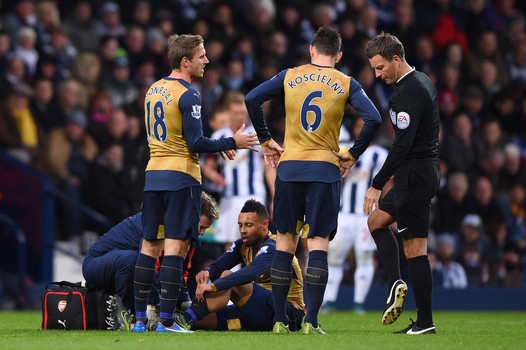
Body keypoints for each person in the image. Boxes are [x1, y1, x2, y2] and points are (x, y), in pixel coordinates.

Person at [245, 26, 382, 334]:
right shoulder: (346, 82)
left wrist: (266, 140)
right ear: (339, 55)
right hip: (324, 171)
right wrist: (353, 154)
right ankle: (312, 322)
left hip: (290, 169)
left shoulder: (289, 75)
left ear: (311, 49)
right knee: (317, 244)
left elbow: (252, 98)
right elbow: (373, 118)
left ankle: (279, 321)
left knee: (285, 243)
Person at [131, 33, 259, 334]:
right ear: (185, 61)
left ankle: (138, 321)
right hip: (180, 178)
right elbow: (195, 141)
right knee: (175, 249)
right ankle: (165, 322)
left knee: (148, 248)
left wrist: (219, 144)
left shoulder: (152, 90)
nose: (207, 61)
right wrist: (233, 141)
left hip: (153, 177)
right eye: (202, 56)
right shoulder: (189, 95)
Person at [363, 32, 441, 335]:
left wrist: (377, 183)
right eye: (373, 68)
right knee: (376, 221)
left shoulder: (409, 91)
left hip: (414, 175)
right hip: (419, 172)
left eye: (380, 67)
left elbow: (402, 145)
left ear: (397, 59)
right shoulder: (420, 80)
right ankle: (396, 281)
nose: (377, 74)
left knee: (415, 249)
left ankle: (425, 323)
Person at [82, 192, 219, 330]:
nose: (201, 233)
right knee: (135, 260)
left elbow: (177, 272)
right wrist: (152, 305)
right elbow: (149, 265)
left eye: (205, 229)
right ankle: (129, 315)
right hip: (95, 264)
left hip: (123, 265)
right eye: (201, 227)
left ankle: (140, 315)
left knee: (138, 261)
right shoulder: (157, 223)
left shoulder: (188, 238)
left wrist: (186, 303)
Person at [174, 199, 304, 331]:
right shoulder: (242, 244)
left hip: (288, 314)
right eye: (240, 225)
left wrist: (213, 286)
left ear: (265, 225)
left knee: (228, 277)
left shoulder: (275, 245)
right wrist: (206, 272)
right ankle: (178, 320)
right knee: (200, 322)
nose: (243, 230)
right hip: (257, 313)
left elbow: (251, 273)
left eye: (248, 225)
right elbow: (218, 266)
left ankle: (191, 314)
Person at [323, 117, 388, 314]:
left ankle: (359, 303)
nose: (362, 129)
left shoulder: (381, 154)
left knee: (365, 257)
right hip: (342, 214)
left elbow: (388, 184)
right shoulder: (343, 151)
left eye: (365, 126)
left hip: (366, 216)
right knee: (333, 258)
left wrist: (385, 212)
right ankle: (328, 302)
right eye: (359, 125)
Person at [202, 91, 276, 250]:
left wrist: (275, 195)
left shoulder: (258, 134)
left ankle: (253, 274)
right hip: (230, 196)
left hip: (255, 195)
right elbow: (208, 166)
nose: (240, 116)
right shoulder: (219, 135)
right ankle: (232, 274)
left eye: (243, 112)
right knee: (231, 244)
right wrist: (214, 176)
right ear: (229, 113)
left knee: (256, 242)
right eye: (236, 113)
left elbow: (269, 168)